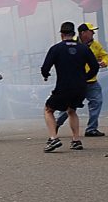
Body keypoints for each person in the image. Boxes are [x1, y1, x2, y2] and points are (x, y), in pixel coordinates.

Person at [41, 22, 100, 152]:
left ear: (62, 34)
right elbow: (95, 66)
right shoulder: (84, 48)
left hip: (64, 86)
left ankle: (53, 138)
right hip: (80, 87)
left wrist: (46, 75)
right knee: (72, 110)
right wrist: (85, 77)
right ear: (73, 34)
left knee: (48, 109)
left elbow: (45, 67)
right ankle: (76, 140)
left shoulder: (56, 48)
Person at [55, 22, 108, 137]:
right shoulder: (71, 44)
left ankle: (91, 128)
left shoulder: (95, 45)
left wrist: (105, 62)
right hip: (76, 82)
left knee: (96, 102)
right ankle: (55, 125)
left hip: (91, 81)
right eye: (91, 31)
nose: (93, 33)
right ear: (83, 33)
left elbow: (104, 55)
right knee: (68, 107)